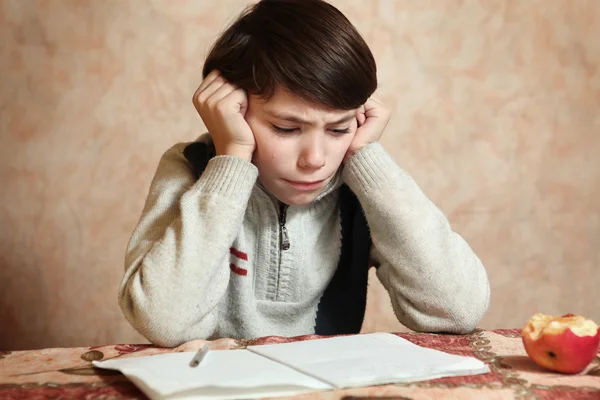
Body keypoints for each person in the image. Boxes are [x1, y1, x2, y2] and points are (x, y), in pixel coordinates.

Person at [118, 0, 490, 347]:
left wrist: (366, 159)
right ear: (232, 111)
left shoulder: (361, 185)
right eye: (285, 128)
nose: (315, 159)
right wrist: (231, 159)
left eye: (339, 129)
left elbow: (457, 309)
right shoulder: (190, 168)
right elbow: (164, 322)